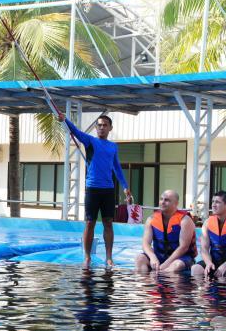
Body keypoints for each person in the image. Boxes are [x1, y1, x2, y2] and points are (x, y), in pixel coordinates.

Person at [57, 113, 131, 268]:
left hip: (108, 190)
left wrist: (125, 186)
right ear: (96, 128)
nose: (101, 127)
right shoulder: (90, 141)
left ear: (110, 128)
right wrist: (65, 119)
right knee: (90, 222)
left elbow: (117, 167)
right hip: (92, 188)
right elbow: (75, 132)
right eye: (99, 125)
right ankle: (87, 257)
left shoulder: (113, 146)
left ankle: (109, 257)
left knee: (108, 223)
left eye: (105, 125)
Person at [134, 190, 197, 273]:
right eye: (161, 199)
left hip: (182, 258)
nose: (162, 202)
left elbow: (183, 247)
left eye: (167, 200)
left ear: (176, 204)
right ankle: (148, 284)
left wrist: (165, 264)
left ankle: (164, 282)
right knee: (139, 259)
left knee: (176, 266)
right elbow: (145, 244)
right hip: (159, 256)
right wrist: (152, 257)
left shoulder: (185, 220)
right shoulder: (151, 219)